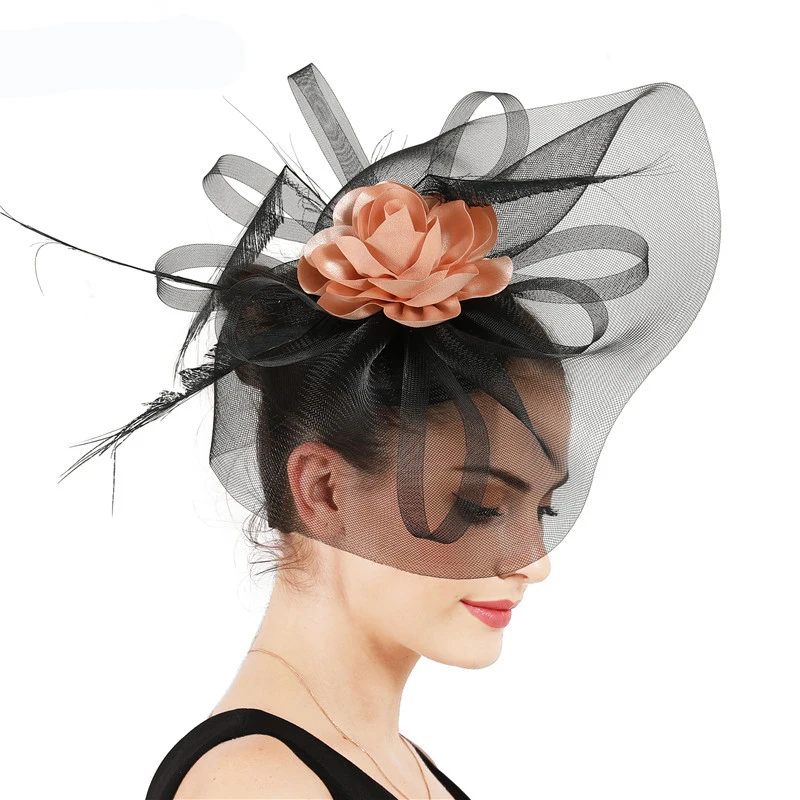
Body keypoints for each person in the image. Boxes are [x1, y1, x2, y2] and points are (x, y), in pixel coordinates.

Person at [2, 62, 719, 799]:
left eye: (541, 508)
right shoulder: (258, 787)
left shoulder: (392, 765)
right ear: (324, 490)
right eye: (478, 505)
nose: (533, 564)